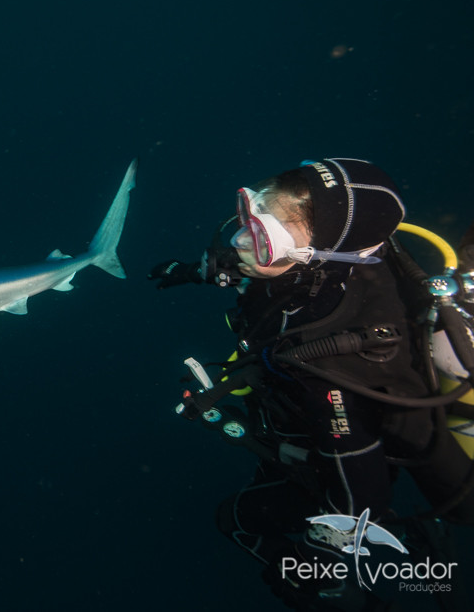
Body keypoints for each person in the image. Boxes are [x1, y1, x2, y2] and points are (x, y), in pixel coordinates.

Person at [148, 158, 474, 611]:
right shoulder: (323, 264)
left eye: (263, 239)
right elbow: (253, 265)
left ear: (317, 258)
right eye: (250, 216)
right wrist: (191, 270)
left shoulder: (333, 369)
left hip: (323, 455)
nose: (241, 240)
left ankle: (350, 595)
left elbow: (360, 499)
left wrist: (311, 561)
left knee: (236, 521)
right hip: (287, 411)